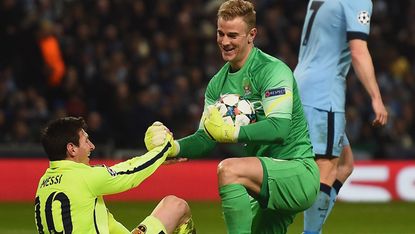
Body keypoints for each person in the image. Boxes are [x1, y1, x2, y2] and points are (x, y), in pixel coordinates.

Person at [144, 1, 320, 233]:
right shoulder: (217, 84)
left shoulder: (272, 71)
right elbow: (205, 138)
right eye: (221, 33)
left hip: (296, 171)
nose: (225, 41)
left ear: (251, 35)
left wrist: (232, 133)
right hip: (261, 184)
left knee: (229, 170)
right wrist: (171, 148)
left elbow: (279, 129)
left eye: (233, 35)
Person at [293, 0, 388, 233]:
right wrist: (376, 97)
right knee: (325, 168)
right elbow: (358, 51)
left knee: (345, 165)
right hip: (323, 95)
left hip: (299, 85)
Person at [34, 116, 195, 234]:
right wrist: (165, 147)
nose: (92, 146)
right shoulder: (85, 178)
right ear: (72, 149)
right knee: (175, 206)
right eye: (86, 141)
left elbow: (106, 222)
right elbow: (132, 171)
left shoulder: (44, 184)